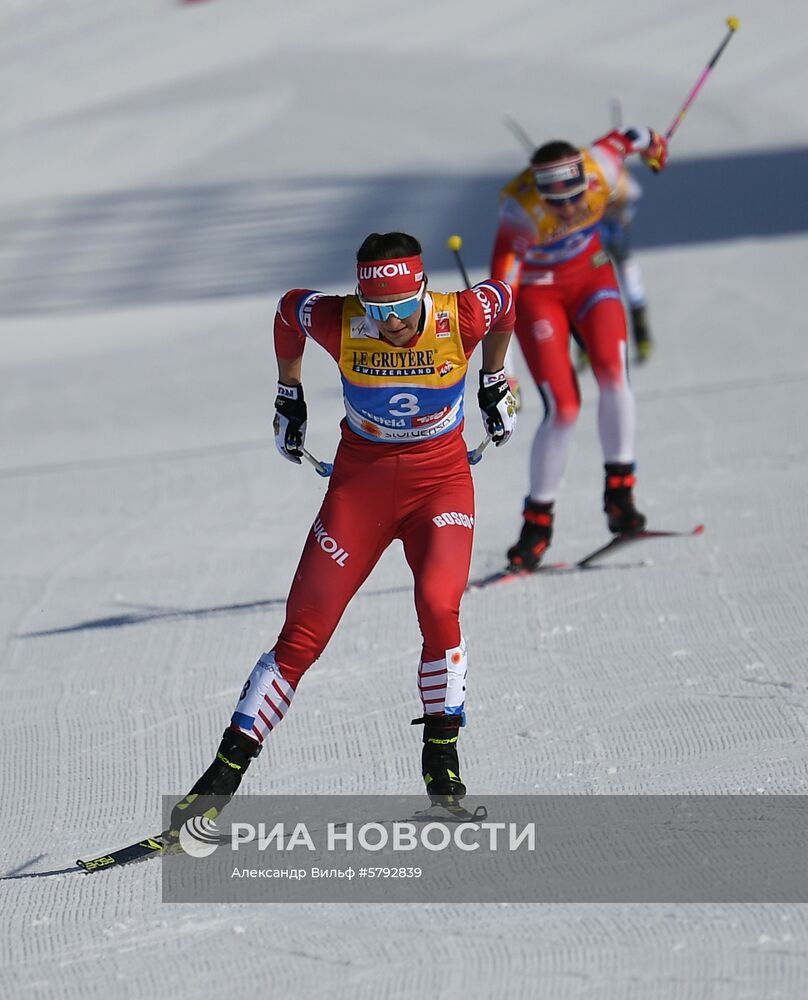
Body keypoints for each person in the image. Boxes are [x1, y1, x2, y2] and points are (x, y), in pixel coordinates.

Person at [165, 232, 517, 837]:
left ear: (423, 291)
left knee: (438, 604)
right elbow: (286, 308)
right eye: (377, 311)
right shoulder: (340, 319)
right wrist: (288, 395)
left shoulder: (459, 313)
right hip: (362, 487)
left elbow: (506, 301)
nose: (391, 325)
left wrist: (494, 379)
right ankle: (218, 782)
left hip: (441, 485)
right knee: (303, 632)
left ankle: (442, 765)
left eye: (403, 309)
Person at [490, 126, 668, 570]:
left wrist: (656, 146)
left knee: (613, 372)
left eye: (575, 196)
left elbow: (631, 136)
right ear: (538, 191)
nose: (568, 208)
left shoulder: (600, 167)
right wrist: (502, 373)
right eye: (556, 200)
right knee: (564, 408)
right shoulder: (521, 212)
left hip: (591, 277)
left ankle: (620, 498)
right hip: (538, 295)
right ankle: (537, 526)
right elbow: (498, 299)